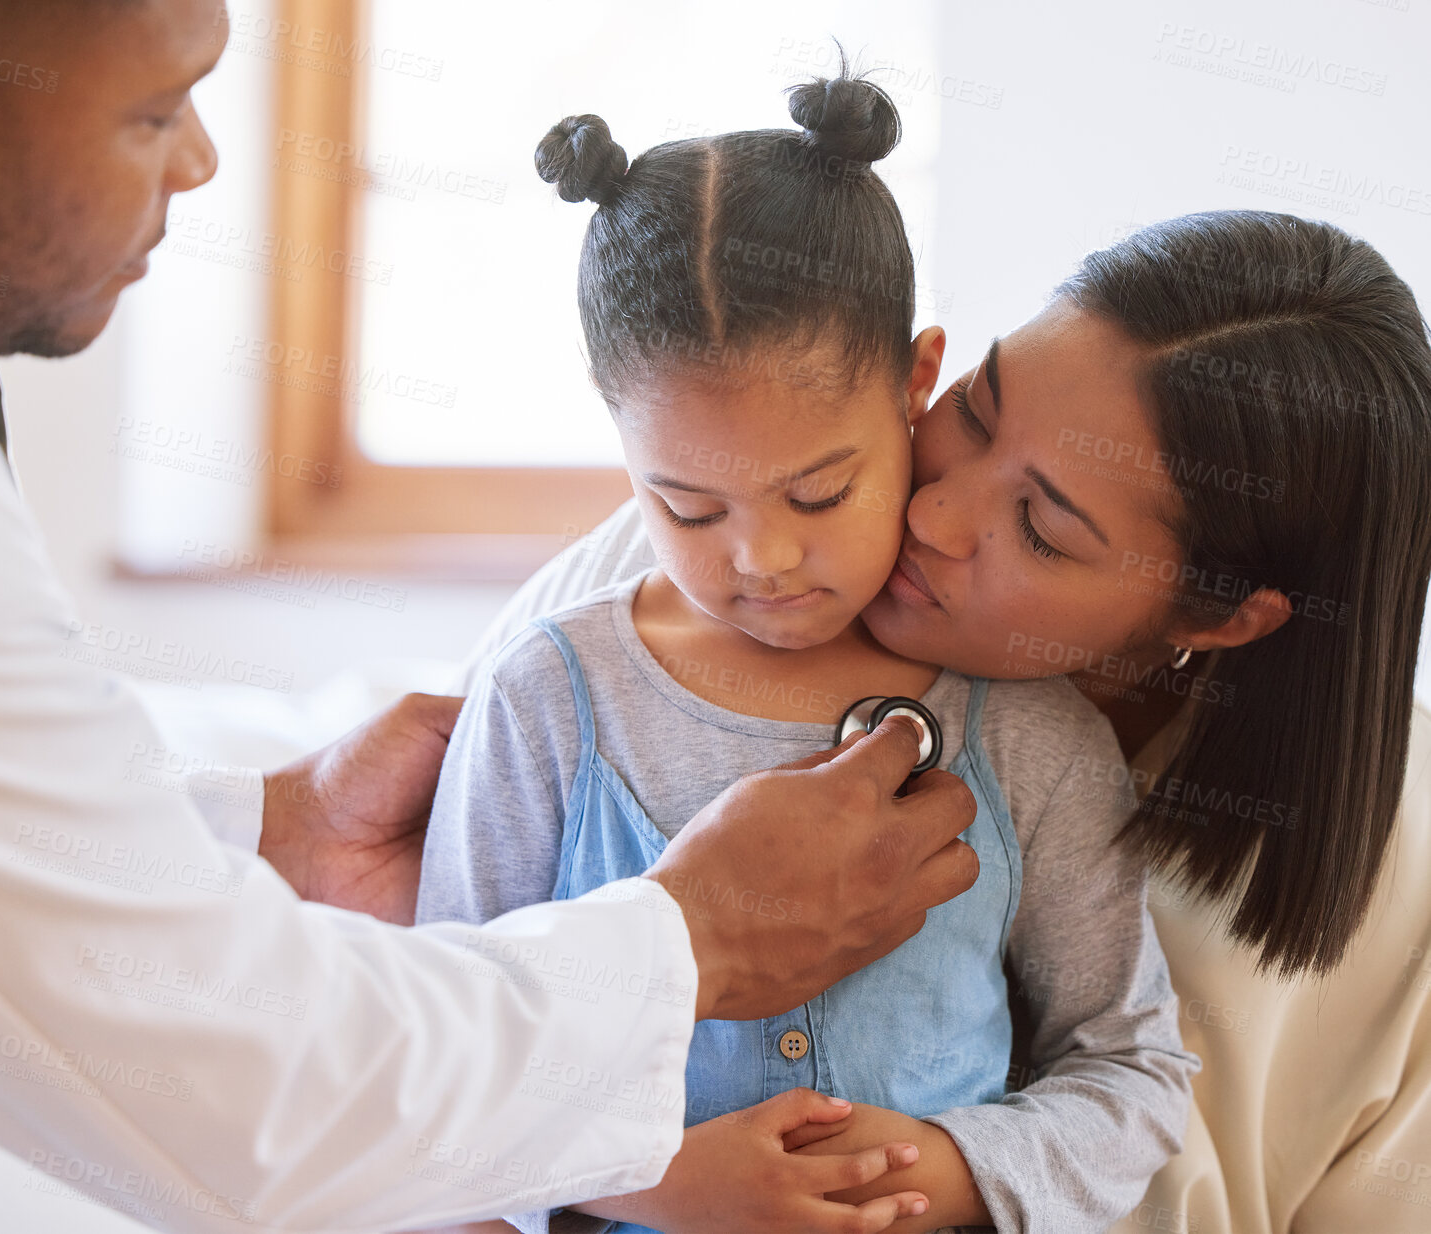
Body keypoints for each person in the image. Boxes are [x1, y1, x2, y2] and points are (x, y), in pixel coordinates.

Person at [0, 3, 985, 1230]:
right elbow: (252, 1108)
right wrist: (692, 940)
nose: (203, 158)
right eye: (154, 111)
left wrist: (272, 825)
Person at [461, 209, 1431, 1234]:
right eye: (975, 408)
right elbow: (411, 1050)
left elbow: (1138, 1098)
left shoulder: (1374, 873)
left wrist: (930, 1173)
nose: (933, 514)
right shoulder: (711, 562)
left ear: (1214, 614)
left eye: (1042, 529)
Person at [417, 79, 1198, 1234]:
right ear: (615, 427)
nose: (764, 557)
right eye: (686, 508)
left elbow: (1132, 1073)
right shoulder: (545, 702)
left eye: (821, 490)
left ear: (916, 380)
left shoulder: (1024, 733)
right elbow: (431, 1062)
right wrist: (653, 1179)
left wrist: (940, 1168)